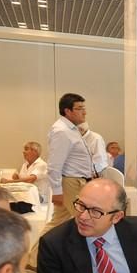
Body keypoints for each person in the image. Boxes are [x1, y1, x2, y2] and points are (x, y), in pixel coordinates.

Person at [43, 93, 97, 230]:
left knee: (57, 223)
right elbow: (54, 165)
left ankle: (36, 252)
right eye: (79, 108)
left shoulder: (71, 129)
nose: (85, 112)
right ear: (67, 111)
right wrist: (56, 191)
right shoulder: (61, 131)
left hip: (76, 181)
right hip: (71, 183)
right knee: (88, 221)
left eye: (84, 108)